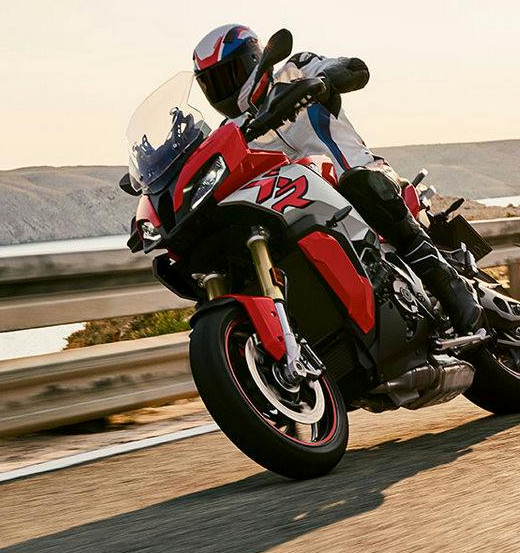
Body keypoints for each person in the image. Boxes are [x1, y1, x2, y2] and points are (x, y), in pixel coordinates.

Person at [191, 23, 483, 334]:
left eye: (228, 74)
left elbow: (355, 69)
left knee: (359, 184)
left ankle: (449, 284)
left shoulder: (297, 70)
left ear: (254, 61)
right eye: (212, 83)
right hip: (304, 208)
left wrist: (325, 81)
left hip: (360, 179)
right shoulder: (230, 133)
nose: (224, 87)